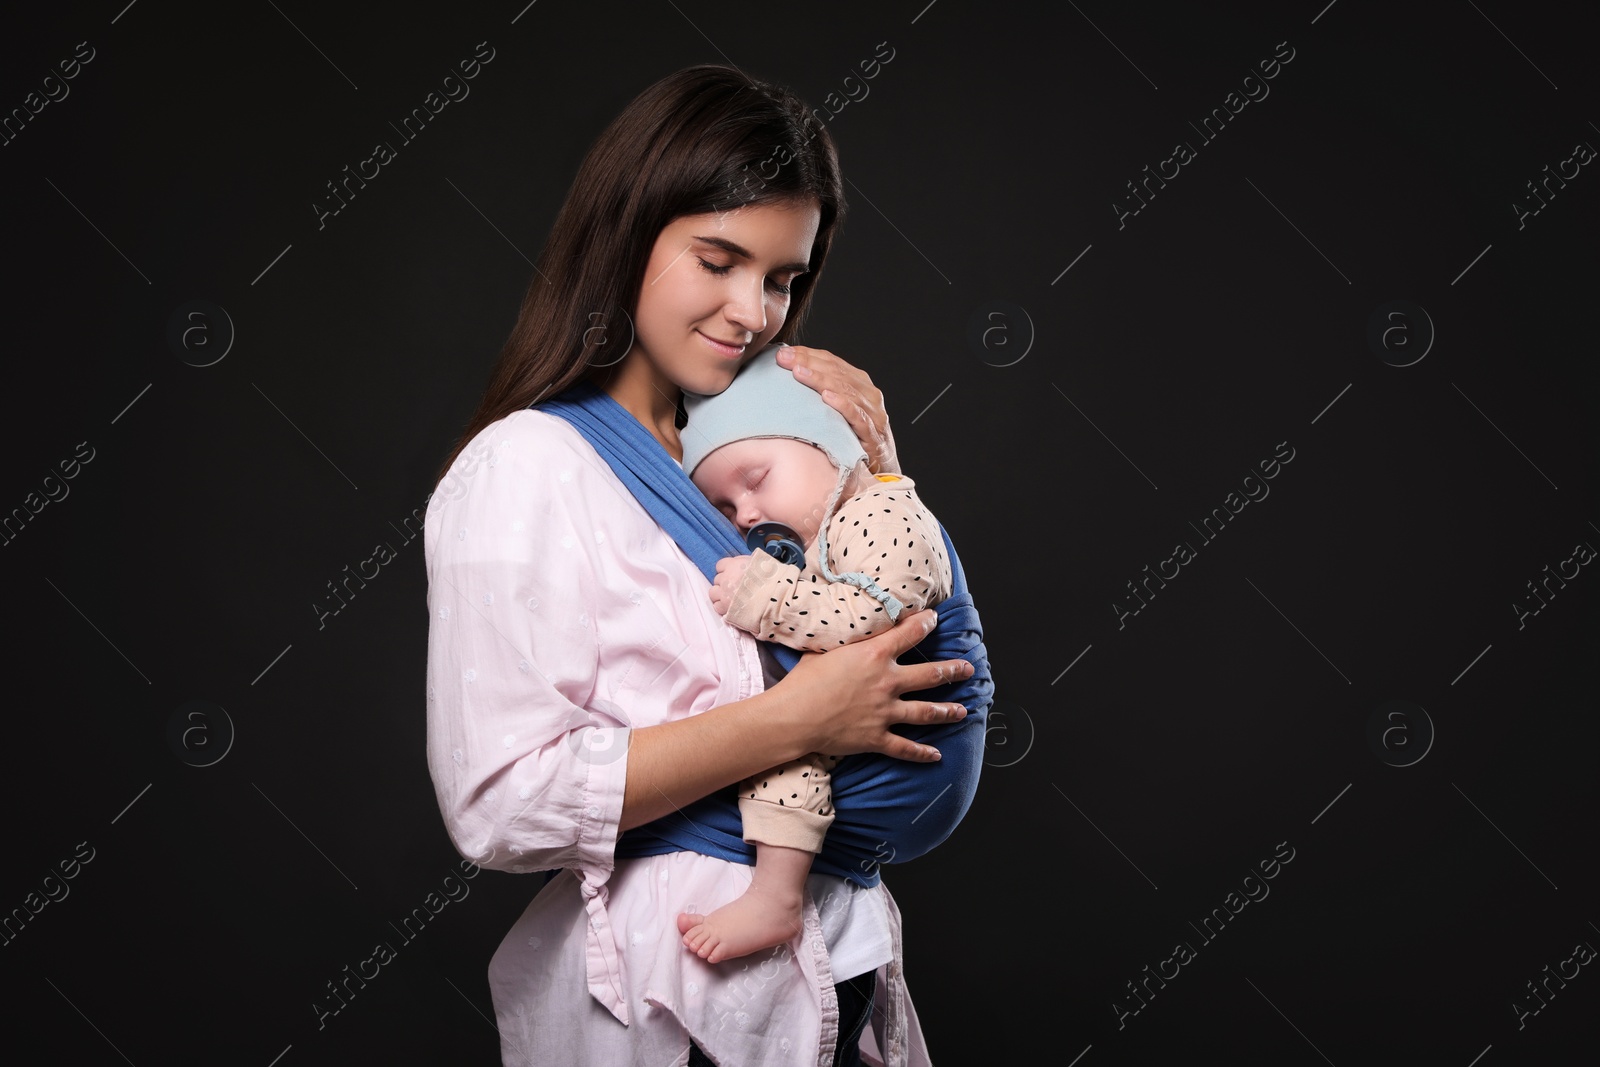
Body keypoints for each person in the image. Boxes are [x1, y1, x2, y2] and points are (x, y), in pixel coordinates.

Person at [423, 64, 991, 1067]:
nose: (754, 311)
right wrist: (796, 720)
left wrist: (874, 470)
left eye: (781, 277)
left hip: (832, 979)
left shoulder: (758, 451)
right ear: (627, 236)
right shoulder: (531, 465)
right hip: (673, 1003)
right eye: (718, 259)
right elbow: (499, 800)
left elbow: (883, 601)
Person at [676, 346, 954, 967]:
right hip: (858, 731)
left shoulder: (886, 514)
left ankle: (776, 896)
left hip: (882, 717)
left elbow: (867, 622)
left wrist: (767, 600)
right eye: (724, 508)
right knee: (776, 737)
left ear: (831, 447)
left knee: (784, 748)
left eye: (755, 481)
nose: (746, 514)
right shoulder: (831, 527)